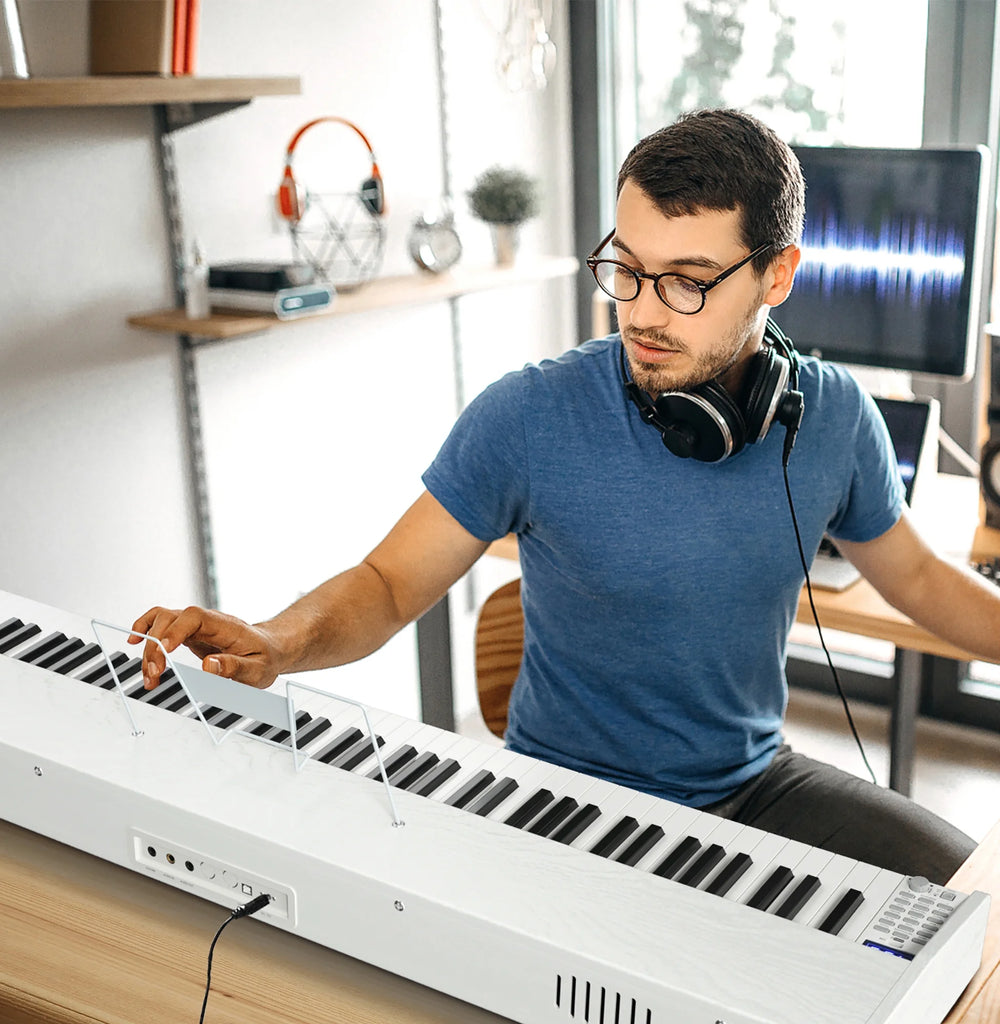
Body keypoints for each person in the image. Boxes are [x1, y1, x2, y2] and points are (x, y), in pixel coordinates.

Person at [132, 108, 1000, 882]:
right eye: (626, 269)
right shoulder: (531, 413)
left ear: (776, 277)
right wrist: (276, 643)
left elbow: (920, 582)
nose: (644, 314)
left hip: (753, 785)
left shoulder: (836, 418)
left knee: (964, 902)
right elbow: (390, 585)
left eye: (689, 282)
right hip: (563, 805)